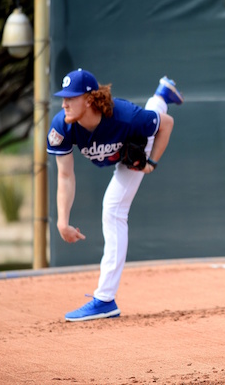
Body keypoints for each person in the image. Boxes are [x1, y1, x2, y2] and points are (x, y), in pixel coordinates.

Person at [47, 68, 182, 322]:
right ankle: (162, 93)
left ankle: (105, 299)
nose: (64, 103)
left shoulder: (125, 117)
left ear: (89, 99)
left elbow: (167, 124)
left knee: (113, 209)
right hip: (121, 154)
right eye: (63, 97)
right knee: (151, 113)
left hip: (137, 147)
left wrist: (151, 162)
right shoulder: (62, 126)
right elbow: (65, 175)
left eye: (71, 97)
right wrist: (62, 221)